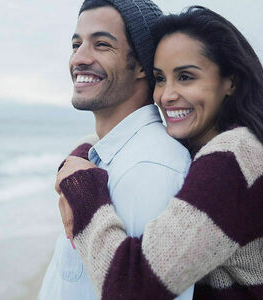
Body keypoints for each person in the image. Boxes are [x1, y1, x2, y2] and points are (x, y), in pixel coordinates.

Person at [56, 6, 263, 300]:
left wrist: (83, 194)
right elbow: (104, 140)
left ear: (229, 81)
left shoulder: (233, 156)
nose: (166, 95)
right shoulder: (207, 143)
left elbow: (132, 287)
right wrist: (79, 159)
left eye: (186, 77)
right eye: (161, 78)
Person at [38, 0, 194, 299]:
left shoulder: (150, 170)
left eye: (101, 45)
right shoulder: (103, 158)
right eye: (75, 44)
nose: (79, 58)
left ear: (140, 65)